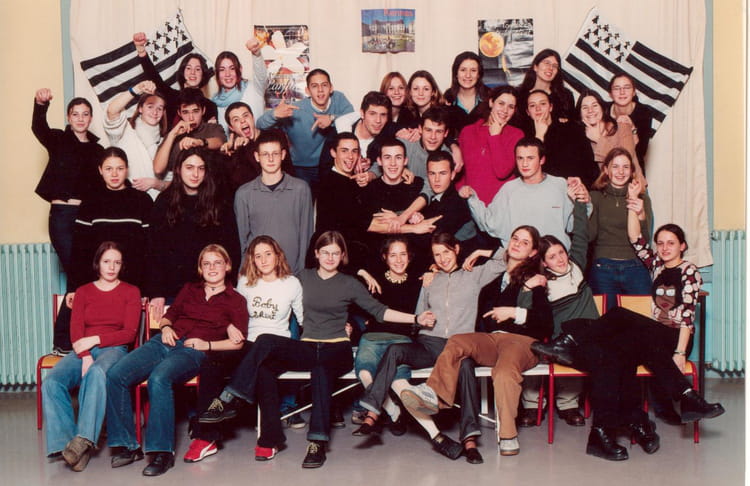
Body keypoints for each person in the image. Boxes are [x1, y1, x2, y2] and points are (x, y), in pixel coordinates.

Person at [197, 231, 435, 469]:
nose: (330, 257)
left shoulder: (350, 283)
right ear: (316, 254)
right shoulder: (302, 278)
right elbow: (275, 285)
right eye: (325, 252)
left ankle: (317, 443)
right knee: (265, 340)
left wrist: (415, 318)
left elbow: (380, 311)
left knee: (321, 371)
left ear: (342, 256)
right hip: (308, 346)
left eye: (335, 253)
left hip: (337, 347)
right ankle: (228, 399)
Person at [532, 192, 725, 461]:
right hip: (645, 336)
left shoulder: (688, 270)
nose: (665, 248)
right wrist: (633, 204)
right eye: (661, 243)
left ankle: (570, 345)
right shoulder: (656, 265)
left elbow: (687, 315)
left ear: (683, 245)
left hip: (673, 336)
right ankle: (653, 415)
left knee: (620, 316)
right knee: (622, 353)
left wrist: (681, 352)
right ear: (543, 262)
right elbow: (636, 240)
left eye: (671, 243)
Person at [399, 226, 553, 459]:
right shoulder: (493, 277)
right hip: (491, 339)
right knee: (458, 341)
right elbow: (461, 271)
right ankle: (434, 394)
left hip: (520, 342)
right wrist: (436, 270)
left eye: (525, 242)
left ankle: (508, 436)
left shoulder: (534, 279)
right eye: (515, 238)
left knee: (503, 372)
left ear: (533, 252)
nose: (517, 243)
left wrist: (514, 312)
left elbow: (546, 323)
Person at [355, 232, 508, 461]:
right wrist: (421, 321)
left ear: (457, 249)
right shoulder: (429, 280)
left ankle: (469, 439)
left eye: (446, 252)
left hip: (460, 346)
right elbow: (419, 315)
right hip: (430, 344)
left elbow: (508, 259)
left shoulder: (474, 276)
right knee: (395, 351)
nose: (443, 258)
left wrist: (479, 252)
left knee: (466, 367)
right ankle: (373, 409)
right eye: (437, 255)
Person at [106, 244, 249, 476]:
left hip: (194, 350)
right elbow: (168, 316)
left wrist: (207, 345)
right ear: (200, 268)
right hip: (164, 341)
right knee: (116, 374)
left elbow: (238, 343)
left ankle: (162, 452)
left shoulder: (236, 300)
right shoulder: (190, 289)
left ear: (227, 266)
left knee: (159, 378)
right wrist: (165, 328)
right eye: (206, 263)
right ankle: (127, 446)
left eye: (217, 262)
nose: (212, 268)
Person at [184, 236, 303, 462]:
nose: (263, 260)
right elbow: (231, 312)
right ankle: (206, 438)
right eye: (258, 256)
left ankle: (269, 439)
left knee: (265, 370)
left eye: (268, 254)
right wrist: (229, 326)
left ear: (277, 255)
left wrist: (337, 328)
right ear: (252, 260)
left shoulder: (291, 283)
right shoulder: (246, 282)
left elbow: (305, 318)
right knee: (211, 363)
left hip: (278, 345)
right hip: (249, 344)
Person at [42, 241, 140, 472]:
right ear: (98, 264)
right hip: (82, 348)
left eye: (117, 262)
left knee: (96, 373)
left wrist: (95, 339)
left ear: (122, 265)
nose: (112, 267)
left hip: (114, 348)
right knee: (51, 382)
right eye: (107, 261)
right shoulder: (84, 291)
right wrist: (85, 355)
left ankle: (84, 440)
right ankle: (70, 447)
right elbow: (76, 331)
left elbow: (128, 334)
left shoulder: (131, 291)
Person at [33, 88, 105, 354]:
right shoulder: (58, 140)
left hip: (86, 219)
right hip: (62, 217)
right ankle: (62, 340)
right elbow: (38, 127)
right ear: (68, 117)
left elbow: (106, 183)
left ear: (90, 118)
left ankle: (68, 341)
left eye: (85, 114)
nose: (80, 118)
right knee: (78, 276)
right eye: (76, 114)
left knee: (83, 277)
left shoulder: (97, 150)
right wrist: (40, 104)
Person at [145, 148, 241, 322]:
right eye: (189, 167)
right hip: (172, 290)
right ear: (178, 170)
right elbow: (154, 250)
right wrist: (157, 292)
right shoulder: (164, 201)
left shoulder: (219, 202)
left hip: (211, 289)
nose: (195, 174)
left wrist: (228, 286)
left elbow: (232, 248)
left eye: (200, 168)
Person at [461, 137, 581, 250]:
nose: (524, 164)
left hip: (554, 257)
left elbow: (576, 223)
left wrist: (584, 199)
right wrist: (472, 198)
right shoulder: (509, 189)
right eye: (520, 158)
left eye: (530, 158)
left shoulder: (560, 185)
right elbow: (490, 222)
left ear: (542, 160)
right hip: (521, 259)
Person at [352, 237, 422, 429]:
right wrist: (363, 273)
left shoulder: (418, 282)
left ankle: (385, 412)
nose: (398, 260)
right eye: (393, 255)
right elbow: (342, 267)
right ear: (385, 257)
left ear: (409, 256)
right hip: (373, 338)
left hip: (402, 342)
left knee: (399, 378)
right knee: (365, 372)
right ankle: (393, 410)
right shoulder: (374, 280)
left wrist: (432, 272)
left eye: (403, 254)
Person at [256, 68, 354, 197]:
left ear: (331, 88)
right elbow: (260, 125)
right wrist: (274, 114)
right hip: (302, 167)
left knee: (333, 201)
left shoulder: (338, 99)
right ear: (307, 91)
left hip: (329, 164)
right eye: (315, 86)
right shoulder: (296, 110)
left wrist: (332, 119)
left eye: (324, 85)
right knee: (303, 202)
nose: (320, 90)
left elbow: (354, 118)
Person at [68, 148, 153, 295]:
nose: (114, 174)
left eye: (120, 168)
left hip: (135, 283)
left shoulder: (142, 200)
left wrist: (148, 291)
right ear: (100, 170)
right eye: (108, 169)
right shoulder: (90, 201)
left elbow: (151, 249)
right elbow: (79, 250)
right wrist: (74, 289)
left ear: (127, 170)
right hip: (98, 284)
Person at [234, 129, 314, 274]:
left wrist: (302, 274)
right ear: (257, 157)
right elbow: (242, 242)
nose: (270, 159)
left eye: (275, 154)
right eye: (265, 154)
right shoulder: (244, 194)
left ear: (283, 155)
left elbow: (306, 236)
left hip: (292, 273)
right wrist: (245, 274)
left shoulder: (301, 189)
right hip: (258, 274)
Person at [588, 147, 653, 310]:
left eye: (625, 167)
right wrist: (582, 207)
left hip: (636, 267)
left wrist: (640, 214)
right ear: (606, 170)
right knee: (607, 320)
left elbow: (645, 239)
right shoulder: (595, 196)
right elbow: (590, 235)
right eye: (615, 166)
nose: (621, 172)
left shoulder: (642, 198)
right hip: (603, 268)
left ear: (632, 171)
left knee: (641, 318)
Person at [133, 32, 218, 127]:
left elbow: (213, 133)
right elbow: (153, 76)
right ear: (182, 72)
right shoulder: (170, 96)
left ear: (203, 74)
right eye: (188, 68)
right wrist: (141, 50)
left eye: (198, 69)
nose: (192, 72)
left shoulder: (210, 106)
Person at [456, 86, 524, 205]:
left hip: (502, 205)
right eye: (501, 103)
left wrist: (495, 136)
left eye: (511, 107)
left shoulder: (516, 135)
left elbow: (502, 171)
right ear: (491, 102)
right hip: (471, 204)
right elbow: (460, 169)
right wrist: (460, 188)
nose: (505, 110)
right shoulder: (468, 132)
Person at [104, 81, 168, 199]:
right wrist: (137, 89)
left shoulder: (166, 142)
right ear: (140, 108)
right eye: (150, 106)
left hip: (156, 204)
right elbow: (111, 111)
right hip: (126, 200)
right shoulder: (125, 131)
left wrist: (156, 183)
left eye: (159, 108)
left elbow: (174, 182)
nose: (155, 112)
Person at [522, 89, 598, 188]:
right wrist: (539, 136)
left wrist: (579, 186)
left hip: (575, 188)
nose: (538, 108)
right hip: (543, 190)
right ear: (528, 112)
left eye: (543, 104)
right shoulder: (525, 136)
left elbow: (589, 165)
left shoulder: (572, 129)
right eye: (532, 105)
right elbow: (529, 170)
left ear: (551, 107)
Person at [576, 89, 645, 186]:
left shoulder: (622, 125)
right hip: (603, 191)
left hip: (632, 188)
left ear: (602, 108)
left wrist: (598, 139)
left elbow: (625, 161)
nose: (590, 110)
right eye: (585, 107)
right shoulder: (580, 137)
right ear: (580, 113)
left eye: (595, 105)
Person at [153, 88, 227, 177]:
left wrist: (199, 142)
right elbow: (158, 169)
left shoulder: (213, 128)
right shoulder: (172, 135)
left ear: (203, 110)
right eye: (185, 112)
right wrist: (172, 135)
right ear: (179, 113)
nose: (191, 118)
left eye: (195, 111)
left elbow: (220, 141)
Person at [212, 40, 268, 136]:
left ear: (240, 69)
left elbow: (261, 76)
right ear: (217, 73)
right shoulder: (215, 102)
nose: (227, 74)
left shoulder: (253, 88)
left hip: (260, 142)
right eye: (222, 70)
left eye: (232, 68)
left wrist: (256, 54)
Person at [608, 72, 655, 174]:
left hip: (634, 171)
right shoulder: (603, 110)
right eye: (617, 88)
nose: (622, 92)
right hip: (607, 171)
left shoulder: (644, 113)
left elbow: (641, 151)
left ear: (634, 92)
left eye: (627, 87)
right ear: (610, 94)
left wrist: (632, 128)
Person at [516, 49, 575, 123]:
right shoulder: (519, 94)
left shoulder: (566, 96)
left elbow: (572, 124)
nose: (550, 68)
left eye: (555, 66)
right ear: (535, 67)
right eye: (547, 63)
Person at [444, 51, 489, 134]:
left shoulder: (490, 99)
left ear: (479, 74)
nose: (468, 75)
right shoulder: (446, 100)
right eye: (463, 70)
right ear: (456, 73)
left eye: (473, 70)